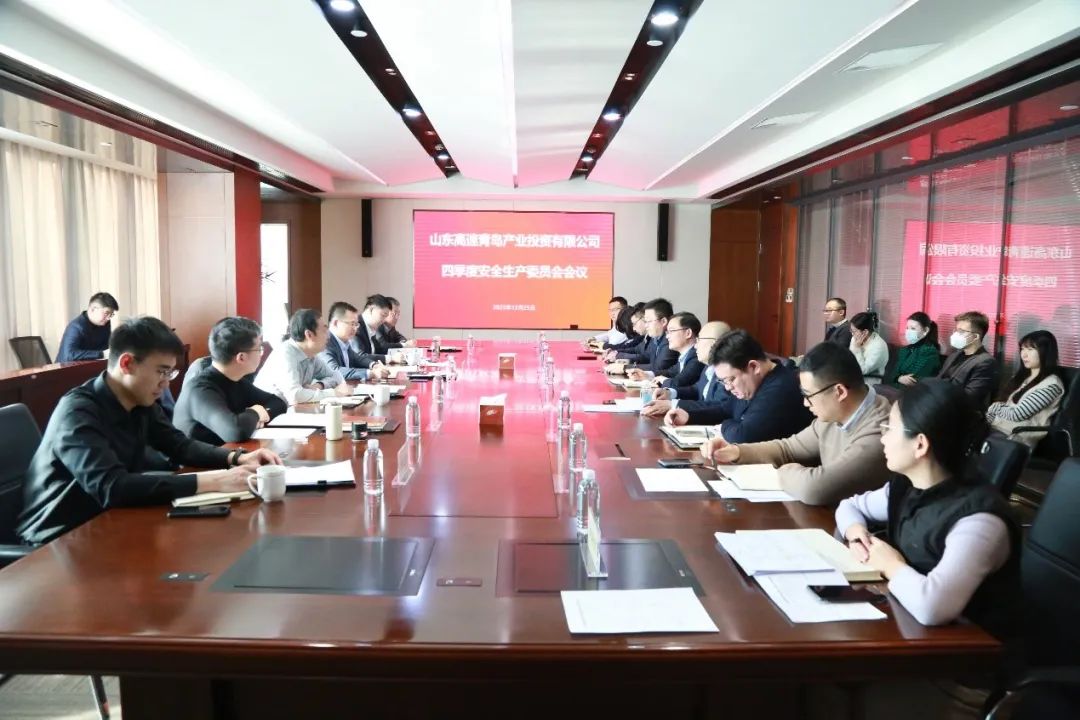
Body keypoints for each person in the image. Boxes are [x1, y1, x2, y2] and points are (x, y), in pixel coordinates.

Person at [16, 316, 281, 545]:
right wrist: (216, 481)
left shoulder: (140, 401)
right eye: (162, 372)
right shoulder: (78, 412)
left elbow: (179, 445)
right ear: (127, 363)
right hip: (57, 538)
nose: (165, 385)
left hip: (112, 520)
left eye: (170, 374)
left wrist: (236, 458)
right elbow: (111, 486)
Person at [836, 379, 1019, 634]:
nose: (883, 438)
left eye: (889, 428)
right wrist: (858, 535)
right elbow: (849, 507)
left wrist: (891, 565)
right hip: (909, 624)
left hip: (968, 647)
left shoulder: (979, 520)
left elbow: (932, 607)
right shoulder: (907, 485)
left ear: (920, 444)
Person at [701, 341, 891, 505]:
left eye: (808, 395)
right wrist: (736, 451)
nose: (805, 403)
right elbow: (788, 448)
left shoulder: (880, 433)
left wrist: (785, 470)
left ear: (839, 392)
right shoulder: (833, 416)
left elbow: (814, 488)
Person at [665, 330, 813, 444]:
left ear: (754, 367)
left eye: (730, 380)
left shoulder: (781, 388)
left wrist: (723, 426)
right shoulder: (755, 382)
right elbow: (726, 409)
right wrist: (689, 416)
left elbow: (743, 436)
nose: (728, 388)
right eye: (723, 381)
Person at [174, 317, 287, 444]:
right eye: (259, 349)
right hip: (200, 457)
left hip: (228, 453)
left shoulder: (236, 380)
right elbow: (235, 431)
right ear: (241, 357)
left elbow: (278, 403)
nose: (261, 354)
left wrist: (255, 415)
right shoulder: (199, 389)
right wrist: (255, 412)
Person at [255, 308, 351, 405]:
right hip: (266, 411)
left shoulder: (311, 355)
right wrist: (333, 393)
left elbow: (337, 376)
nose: (328, 336)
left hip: (290, 409)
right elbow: (295, 396)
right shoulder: (286, 354)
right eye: (324, 331)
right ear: (309, 334)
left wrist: (320, 385)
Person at [986, 330, 1065, 448]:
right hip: (997, 428)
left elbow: (1017, 414)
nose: (1024, 355)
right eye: (1022, 349)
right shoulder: (1022, 378)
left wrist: (995, 408)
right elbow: (1002, 407)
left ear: (1045, 352)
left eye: (1030, 349)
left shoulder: (1051, 384)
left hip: (1015, 437)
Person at [640, 320, 730, 417]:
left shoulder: (728, 372)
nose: (696, 346)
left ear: (716, 343)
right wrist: (670, 393)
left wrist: (673, 405)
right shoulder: (708, 366)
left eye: (699, 340)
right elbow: (697, 390)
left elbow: (720, 407)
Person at [936, 311, 999, 409]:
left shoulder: (986, 362)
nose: (956, 334)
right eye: (956, 330)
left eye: (961, 331)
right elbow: (938, 381)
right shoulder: (954, 355)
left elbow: (970, 398)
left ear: (975, 336)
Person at [628, 312, 704, 387]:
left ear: (688, 333)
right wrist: (647, 375)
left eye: (672, 331)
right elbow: (670, 373)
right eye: (667, 332)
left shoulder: (697, 357)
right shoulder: (686, 355)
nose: (667, 336)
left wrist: (663, 380)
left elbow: (678, 383)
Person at [319, 302, 390, 381]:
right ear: (336, 323)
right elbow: (334, 371)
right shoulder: (324, 342)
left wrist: (374, 365)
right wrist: (370, 373)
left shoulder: (344, 341)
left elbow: (357, 358)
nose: (355, 328)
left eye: (356, 324)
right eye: (352, 324)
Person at [613, 298, 679, 376]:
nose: (646, 325)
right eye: (645, 321)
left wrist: (625, 368)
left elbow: (658, 368)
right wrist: (621, 357)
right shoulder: (656, 339)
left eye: (649, 321)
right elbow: (644, 356)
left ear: (663, 321)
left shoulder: (670, 341)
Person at [883, 312, 941, 389]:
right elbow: (892, 373)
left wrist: (896, 378)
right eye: (907, 328)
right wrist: (899, 378)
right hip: (895, 389)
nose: (908, 331)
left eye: (913, 328)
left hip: (914, 393)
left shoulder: (929, 352)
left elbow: (912, 381)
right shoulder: (905, 350)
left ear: (925, 330)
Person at [56, 292, 119, 362]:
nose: (108, 318)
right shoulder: (76, 327)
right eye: (106, 313)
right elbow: (69, 355)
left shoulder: (105, 323)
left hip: (92, 365)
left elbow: (106, 347)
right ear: (93, 309)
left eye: (111, 314)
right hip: (67, 368)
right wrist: (101, 354)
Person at [848, 311, 889, 383]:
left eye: (854, 331)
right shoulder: (855, 338)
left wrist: (857, 349)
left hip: (869, 383)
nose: (852, 334)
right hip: (853, 378)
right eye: (851, 331)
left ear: (865, 332)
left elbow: (862, 370)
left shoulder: (879, 346)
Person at [352, 294, 393, 363]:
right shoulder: (356, 326)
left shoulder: (370, 328)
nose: (384, 320)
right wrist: (390, 358)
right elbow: (359, 356)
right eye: (383, 315)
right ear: (371, 309)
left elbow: (378, 350)